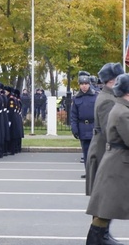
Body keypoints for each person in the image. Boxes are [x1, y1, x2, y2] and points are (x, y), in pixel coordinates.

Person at [85, 73, 129, 245]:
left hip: (117, 163)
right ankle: (97, 239)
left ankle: (98, 238)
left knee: (106, 206)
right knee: (106, 205)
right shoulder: (123, 112)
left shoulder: (121, 108)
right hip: (118, 165)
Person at [70, 72, 97, 178]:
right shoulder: (76, 98)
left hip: (93, 126)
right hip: (82, 127)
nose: (84, 86)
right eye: (82, 84)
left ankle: (95, 172)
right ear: (79, 85)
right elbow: (73, 116)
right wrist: (74, 129)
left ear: (89, 84)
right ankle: (88, 172)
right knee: (86, 152)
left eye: (86, 83)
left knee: (95, 152)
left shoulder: (96, 96)